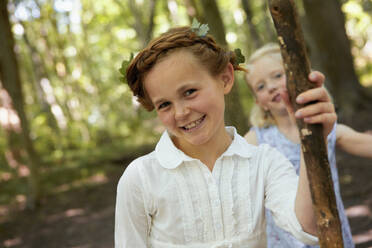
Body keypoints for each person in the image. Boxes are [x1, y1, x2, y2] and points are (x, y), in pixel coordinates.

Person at [115, 26, 336, 247]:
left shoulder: (264, 163)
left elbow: (307, 228)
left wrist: (314, 140)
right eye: (164, 104)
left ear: (225, 78)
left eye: (190, 92)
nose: (180, 112)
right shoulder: (141, 177)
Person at [244, 43, 372, 248]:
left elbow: (363, 142)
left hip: (333, 235)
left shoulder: (324, 128)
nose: (271, 86)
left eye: (277, 76)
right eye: (260, 86)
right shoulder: (256, 140)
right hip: (286, 241)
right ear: (259, 102)